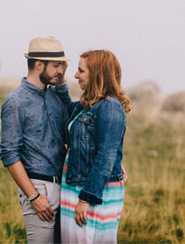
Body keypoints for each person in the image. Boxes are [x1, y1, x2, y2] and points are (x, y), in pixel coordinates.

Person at [0, 36, 71, 243]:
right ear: (39, 64)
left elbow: (75, 127)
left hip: (65, 186)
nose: (61, 70)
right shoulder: (15, 102)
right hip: (38, 188)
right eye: (57, 66)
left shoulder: (55, 95)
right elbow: (9, 154)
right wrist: (34, 197)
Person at [60, 49, 130, 243]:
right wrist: (59, 80)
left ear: (97, 74)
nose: (76, 75)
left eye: (81, 71)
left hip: (91, 191)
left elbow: (106, 155)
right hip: (75, 186)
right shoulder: (87, 104)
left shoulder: (110, 107)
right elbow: (64, 111)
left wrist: (86, 198)